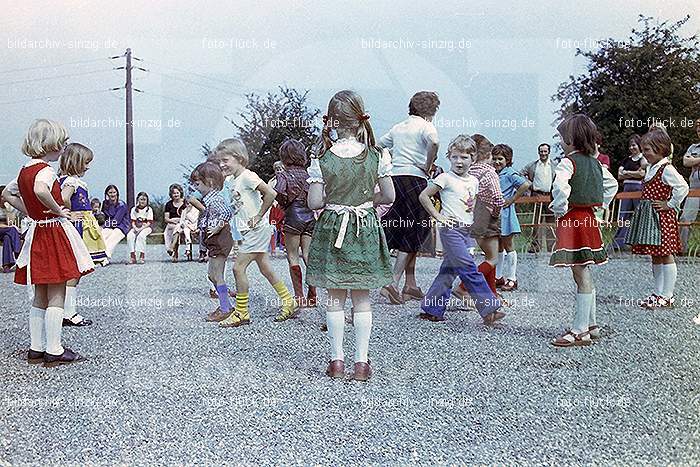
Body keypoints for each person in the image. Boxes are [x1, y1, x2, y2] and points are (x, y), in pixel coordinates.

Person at [306, 90, 395, 381]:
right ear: (360, 121)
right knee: (362, 297)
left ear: (331, 122)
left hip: (333, 226)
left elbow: (315, 203)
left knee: (334, 296)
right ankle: (361, 363)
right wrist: (367, 196)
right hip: (365, 226)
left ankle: (336, 361)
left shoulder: (322, 158)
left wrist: (336, 196)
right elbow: (389, 195)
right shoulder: (377, 156)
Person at [1, 119, 93, 366]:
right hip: (53, 232)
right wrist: (59, 210)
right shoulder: (46, 171)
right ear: (48, 145)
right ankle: (54, 349)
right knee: (57, 291)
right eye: (61, 143)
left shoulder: (23, 171)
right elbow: (42, 190)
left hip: (37, 233)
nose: (63, 147)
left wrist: (31, 212)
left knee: (40, 292)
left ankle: (36, 347)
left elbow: (7, 195)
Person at [417, 135, 505, 324]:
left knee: (448, 270)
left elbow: (471, 205)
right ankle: (489, 307)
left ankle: (432, 308)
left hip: (466, 231)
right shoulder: (445, 178)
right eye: (455, 156)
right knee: (469, 268)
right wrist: (438, 215)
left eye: (464, 157)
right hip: (450, 230)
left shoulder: (474, 181)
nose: (459, 161)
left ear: (473, 159)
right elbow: (424, 196)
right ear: (449, 157)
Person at [549, 114, 618, 347]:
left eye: (561, 137)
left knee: (580, 273)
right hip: (589, 218)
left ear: (570, 138)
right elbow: (611, 185)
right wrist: (600, 205)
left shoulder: (568, 162)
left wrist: (560, 209)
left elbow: (560, 186)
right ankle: (591, 324)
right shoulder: (597, 163)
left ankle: (580, 331)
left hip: (574, 218)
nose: (560, 141)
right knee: (584, 271)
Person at [213, 138, 297, 327]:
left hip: (256, 229)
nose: (221, 164)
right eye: (220, 161)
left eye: (225, 160)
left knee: (238, 268)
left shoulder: (248, 176)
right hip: (245, 230)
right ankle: (289, 301)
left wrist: (259, 215)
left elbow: (271, 193)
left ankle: (242, 312)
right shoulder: (230, 181)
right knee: (265, 267)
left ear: (239, 158)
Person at [379, 91, 440, 304]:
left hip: (396, 180)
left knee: (402, 229)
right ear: (431, 111)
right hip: (415, 180)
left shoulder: (398, 127)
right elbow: (433, 142)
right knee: (415, 231)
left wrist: (390, 163)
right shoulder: (426, 125)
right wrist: (428, 165)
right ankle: (392, 283)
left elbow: (378, 146)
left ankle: (410, 285)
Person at [625, 130, 689, 309]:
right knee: (656, 255)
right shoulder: (652, 167)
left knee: (665, 254)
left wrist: (670, 203)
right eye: (643, 149)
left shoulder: (666, 168)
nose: (644, 153)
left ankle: (668, 295)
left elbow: (682, 187)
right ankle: (658, 293)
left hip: (662, 218)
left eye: (647, 150)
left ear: (660, 149)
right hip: (651, 218)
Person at [59, 142, 108, 327]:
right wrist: (70, 213)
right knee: (76, 269)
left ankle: (65, 310)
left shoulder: (68, 180)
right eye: (85, 162)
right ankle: (69, 313)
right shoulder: (71, 181)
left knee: (77, 269)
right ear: (76, 162)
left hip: (81, 224)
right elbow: (63, 198)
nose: (88, 166)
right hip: (78, 226)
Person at [451, 134, 504, 300]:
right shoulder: (490, 172)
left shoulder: (469, 171)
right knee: (493, 259)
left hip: (472, 215)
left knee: (488, 256)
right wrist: (495, 213)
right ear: (488, 155)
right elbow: (497, 198)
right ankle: (463, 286)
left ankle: (491, 294)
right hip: (487, 215)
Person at [274, 139, 317, 307]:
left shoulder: (283, 174)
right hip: (309, 217)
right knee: (308, 255)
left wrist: (284, 203)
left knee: (292, 257)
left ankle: (299, 297)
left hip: (293, 217)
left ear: (284, 156)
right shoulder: (309, 175)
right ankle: (312, 296)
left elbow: (278, 192)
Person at [190, 162, 235, 322]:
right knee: (212, 275)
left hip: (220, 239)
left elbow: (228, 212)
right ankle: (225, 305)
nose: (196, 188)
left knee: (216, 275)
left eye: (197, 184)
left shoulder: (215, 199)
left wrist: (217, 228)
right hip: (214, 240)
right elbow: (208, 216)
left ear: (209, 182)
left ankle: (225, 308)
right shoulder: (208, 198)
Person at [492, 144, 531, 291]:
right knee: (499, 246)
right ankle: (498, 276)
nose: (497, 162)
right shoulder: (495, 173)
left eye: (500, 159)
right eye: (494, 159)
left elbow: (525, 184)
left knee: (508, 245)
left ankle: (512, 278)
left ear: (507, 159)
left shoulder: (509, 173)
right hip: (496, 214)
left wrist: (512, 199)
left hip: (506, 214)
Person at [611, 134, 648, 249]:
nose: (632, 148)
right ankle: (619, 242)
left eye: (634, 145)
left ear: (639, 146)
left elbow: (642, 174)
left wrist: (627, 173)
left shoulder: (643, 159)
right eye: (630, 146)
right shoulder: (626, 160)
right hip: (626, 189)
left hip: (638, 189)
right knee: (623, 215)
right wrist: (633, 173)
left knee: (639, 215)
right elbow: (619, 175)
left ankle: (640, 242)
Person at [521, 143, 556, 252]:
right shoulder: (533, 165)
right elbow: (520, 174)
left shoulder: (554, 166)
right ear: (538, 152)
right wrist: (528, 185)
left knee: (551, 223)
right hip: (536, 195)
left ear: (549, 152)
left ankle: (552, 248)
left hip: (550, 196)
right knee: (537, 222)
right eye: (541, 151)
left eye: (545, 151)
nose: (543, 153)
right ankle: (535, 247)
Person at [680, 118, 700, 252]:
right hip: (694, 188)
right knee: (685, 218)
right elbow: (685, 162)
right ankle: (683, 249)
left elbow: (690, 161)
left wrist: (694, 161)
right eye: (698, 130)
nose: (699, 132)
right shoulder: (693, 147)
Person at [101, 185, 129, 260]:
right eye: (110, 192)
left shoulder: (121, 205)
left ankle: (105, 257)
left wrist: (104, 225)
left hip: (121, 226)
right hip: (109, 225)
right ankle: (99, 255)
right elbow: (104, 217)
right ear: (107, 194)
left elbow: (116, 221)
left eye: (114, 192)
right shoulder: (105, 203)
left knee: (113, 237)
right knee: (102, 235)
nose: (112, 194)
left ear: (117, 193)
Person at [126, 192, 154, 264]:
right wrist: (135, 228)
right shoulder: (134, 209)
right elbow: (133, 221)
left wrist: (141, 229)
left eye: (144, 200)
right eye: (141, 199)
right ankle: (133, 256)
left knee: (141, 236)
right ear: (138, 200)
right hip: (136, 226)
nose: (143, 201)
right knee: (130, 236)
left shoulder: (149, 209)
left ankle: (141, 255)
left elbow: (149, 222)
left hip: (146, 227)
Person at [0, 185, 21, 273]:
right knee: (12, 230)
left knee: (7, 238)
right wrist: (8, 227)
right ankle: (18, 252)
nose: (4, 198)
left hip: (4, 232)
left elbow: (10, 223)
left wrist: (9, 211)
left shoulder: (7, 208)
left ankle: (6, 265)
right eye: (2, 196)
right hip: (3, 229)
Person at [163, 183, 185, 261]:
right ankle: (171, 249)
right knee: (170, 230)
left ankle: (174, 251)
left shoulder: (185, 203)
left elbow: (188, 215)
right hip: (172, 223)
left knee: (177, 228)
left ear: (180, 193)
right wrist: (172, 221)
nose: (175, 195)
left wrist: (180, 221)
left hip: (182, 223)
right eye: (174, 193)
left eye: (177, 193)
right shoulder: (168, 204)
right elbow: (166, 218)